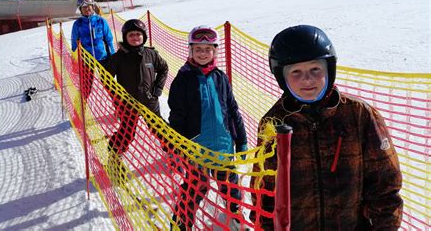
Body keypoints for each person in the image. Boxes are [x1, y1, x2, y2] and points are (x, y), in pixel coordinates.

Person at [250, 25, 403, 230]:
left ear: (329, 69)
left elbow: (385, 187)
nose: (307, 79)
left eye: (315, 69)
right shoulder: (274, 123)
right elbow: (264, 192)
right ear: (281, 76)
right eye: (296, 71)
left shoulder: (359, 115)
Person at [168, 26, 248, 230]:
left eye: (207, 49)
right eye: (198, 49)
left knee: (230, 187)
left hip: (223, 147)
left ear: (215, 51)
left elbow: (232, 110)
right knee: (195, 187)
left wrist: (242, 140)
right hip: (196, 148)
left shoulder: (221, 77)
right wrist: (175, 146)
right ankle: (181, 223)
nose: (203, 54)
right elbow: (177, 117)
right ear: (191, 51)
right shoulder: (182, 80)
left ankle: (236, 219)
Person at [104, 19, 169, 155]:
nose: (135, 38)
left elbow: (163, 68)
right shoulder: (118, 57)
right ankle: (115, 153)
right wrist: (117, 96)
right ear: (125, 37)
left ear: (144, 36)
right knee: (127, 132)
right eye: (131, 35)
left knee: (159, 128)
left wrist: (158, 89)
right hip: (128, 103)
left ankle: (172, 152)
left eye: (138, 34)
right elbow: (106, 77)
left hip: (149, 99)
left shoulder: (151, 54)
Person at [71, 0, 115, 99]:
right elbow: (74, 41)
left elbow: (109, 39)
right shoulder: (78, 24)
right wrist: (74, 58)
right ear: (80, 10)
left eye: (89, 6)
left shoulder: (101, 21)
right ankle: (81, 110)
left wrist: (112, 55)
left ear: (93, 6)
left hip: (103, 57)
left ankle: (119, 109)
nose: (87, 9)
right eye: (84, 7)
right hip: (87, 60)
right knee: (86, 87)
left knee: (110, 86)